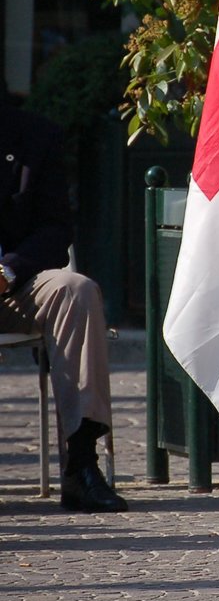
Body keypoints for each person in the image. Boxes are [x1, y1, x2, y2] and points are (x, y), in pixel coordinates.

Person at [0, 94, 126, 513]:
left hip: (13, 281)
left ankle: (81, 463)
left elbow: (56, 230)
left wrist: (8, 271)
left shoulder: (33, 136)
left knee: (76, 290)